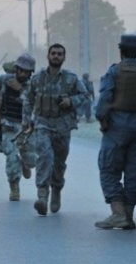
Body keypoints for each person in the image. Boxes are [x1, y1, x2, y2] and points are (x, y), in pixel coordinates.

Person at [94, 34, 136, 230]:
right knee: (133, 173)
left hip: (117, 127)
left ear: (120, 51)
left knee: (108, 168)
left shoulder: (115, 71)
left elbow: (104, 100)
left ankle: (118, 213)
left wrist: (102, 119)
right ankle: (128, 215)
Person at [21, 44, 88, 216]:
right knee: (45, 157)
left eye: (59, 54)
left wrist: (71, 101)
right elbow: (28, 99)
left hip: (63, 127)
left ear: (64, 58)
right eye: (53, 53)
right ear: (48, 56)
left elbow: (85, 96)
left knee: (59, 162)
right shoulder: (37, 79)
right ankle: (42, 196)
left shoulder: (71, 79)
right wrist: (26, 120)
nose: (56, 56)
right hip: (43, 124)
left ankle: (56, 190)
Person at [0, 53, 37, 201]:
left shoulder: (34, 86)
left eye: (26, 71)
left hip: (27, 128)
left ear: (30, 72)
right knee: (11, 156)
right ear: (16, 69)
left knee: (32, 160)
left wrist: (21, 90)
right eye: (20, 70)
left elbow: (36, 103)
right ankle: (14, 186)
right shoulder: (5, 80)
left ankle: (25, 164)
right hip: (8, 125)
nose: (22, 73)